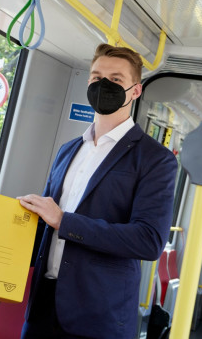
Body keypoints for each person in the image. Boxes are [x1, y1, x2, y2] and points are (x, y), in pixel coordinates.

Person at [18, 43, 178, 339]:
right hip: (42, 307)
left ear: (135, 91)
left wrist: (64, 222)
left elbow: (148, 240)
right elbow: (43, 227)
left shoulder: (155, 159)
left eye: (116, 80)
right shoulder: (69, 150)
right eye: (95, 77)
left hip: (98, 317)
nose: (103, 85)